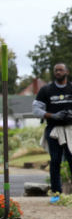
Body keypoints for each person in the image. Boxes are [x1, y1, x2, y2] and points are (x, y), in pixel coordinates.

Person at [32, 63, 72, 203]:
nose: (58, 72)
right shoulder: (46, 90)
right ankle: (56, 194)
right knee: (55, 161)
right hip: (54, 129)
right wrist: (53, 115)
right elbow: (36, 110)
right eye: (56, 70)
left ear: (67, 71)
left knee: (71, 159)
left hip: (70, 130)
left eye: (61, 70)